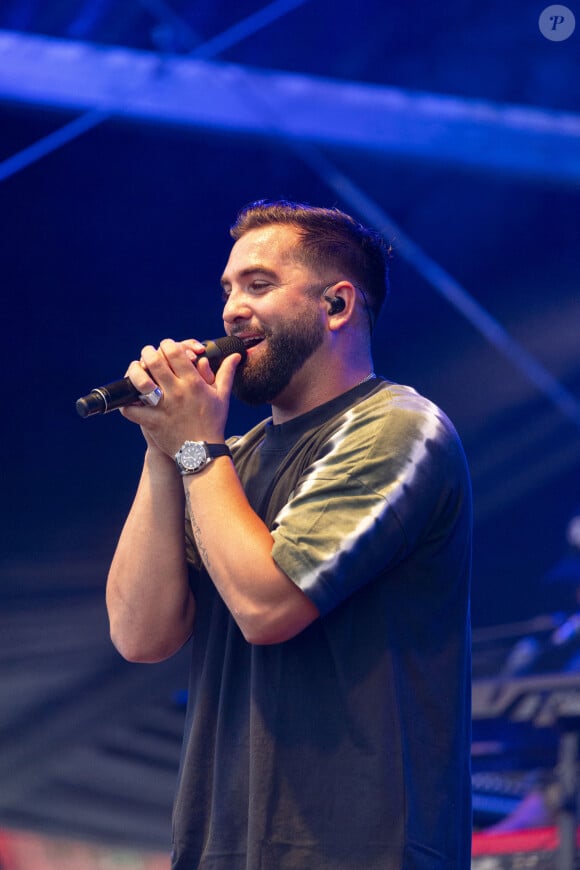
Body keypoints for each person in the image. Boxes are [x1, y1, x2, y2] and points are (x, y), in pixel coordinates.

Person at [105, 200, 473, 869]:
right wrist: (164, 448)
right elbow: (140, 634)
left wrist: (193, 447)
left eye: (259, 285)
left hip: (358, 850)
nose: (231, 311)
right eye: (227, 290)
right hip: (221, 846)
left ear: (335, 305)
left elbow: (268, 608)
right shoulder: (223, 459)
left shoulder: (396, 428)